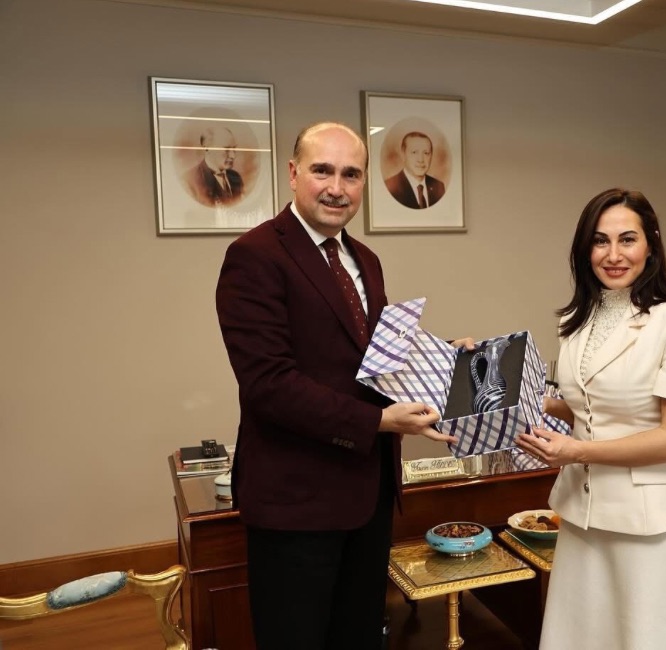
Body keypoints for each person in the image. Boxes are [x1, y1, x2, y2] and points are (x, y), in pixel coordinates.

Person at [215, 121, 469, 649]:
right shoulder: (255, 256)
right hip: (296, 503)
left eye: (351, 174)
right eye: (322, 171)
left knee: (358, 636)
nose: (337, 188)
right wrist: (378, 421)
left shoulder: (365, 260)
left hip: (368, 495)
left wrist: (448, 359)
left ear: (365, 182)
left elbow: (375, 358)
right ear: (293, 174)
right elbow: (268, 384)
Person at [516, 188, 666, 650]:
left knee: (649, 638)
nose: (613, 255)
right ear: (584, 249)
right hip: (583, 509)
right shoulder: (576, 321)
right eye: (600, 241)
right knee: (583, 637)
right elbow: (594, 407)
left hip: (655, 518)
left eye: (627, 239)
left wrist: (576, 450)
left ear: (651, 243)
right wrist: (525, 399)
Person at [383, 131, 446, 209]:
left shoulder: (438, 186)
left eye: (426, 153)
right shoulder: (391, 187)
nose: (421, 160)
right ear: (403, 154)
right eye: (414, 152)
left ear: (431, 155)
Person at [185, 125, 244, 206]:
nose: (232, 156)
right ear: (207, 148)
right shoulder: (190, 181)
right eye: (226, 149)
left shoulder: (236, 178)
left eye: (234, 149)